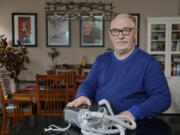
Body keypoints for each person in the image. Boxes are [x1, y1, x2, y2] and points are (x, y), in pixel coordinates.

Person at [67, 14, 171, 120]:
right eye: (115, 31)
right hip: (100, 123)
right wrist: (83, 95)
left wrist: (133, 113)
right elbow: (89, 84)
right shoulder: (101, 60)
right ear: (110, 34)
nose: (120, 36)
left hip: (133, 125)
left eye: (126, 30)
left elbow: (162, 98)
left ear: (135, 32)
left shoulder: (149, 63)